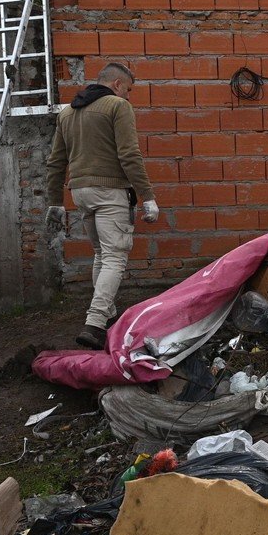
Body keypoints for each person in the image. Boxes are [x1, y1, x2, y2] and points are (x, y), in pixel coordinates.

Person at [44, 62, 159, 349]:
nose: (129, 96)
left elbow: (56, 161)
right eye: (128, 89)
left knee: (101, 255)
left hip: (80, 192)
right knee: (115, 258)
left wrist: (55, 202)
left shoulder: (67, 112)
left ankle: (108, 318)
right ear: (117, 84)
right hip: (109, 191)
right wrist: (147, 195)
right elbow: (129, 154)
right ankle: (94, 324)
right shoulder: (117, 106)